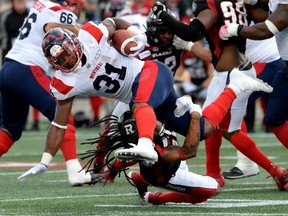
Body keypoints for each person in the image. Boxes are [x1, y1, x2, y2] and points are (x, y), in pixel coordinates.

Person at [15, 18, 286, 192]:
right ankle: (237, 85)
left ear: (73, 43)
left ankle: (145, 143)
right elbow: (59, 123)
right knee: (203, 130)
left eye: (65, 54)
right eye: (59, 61)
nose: (66, 62)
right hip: (145, 99)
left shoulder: (89, 35)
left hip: (150, 73)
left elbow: (112, 22)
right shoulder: (63, 82)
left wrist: (130, 34)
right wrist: (45, 160)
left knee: (139, 104)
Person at [150, 1, 287, 189]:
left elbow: (192, 32)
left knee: (208, 127)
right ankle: (227, 172)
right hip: (243, 68)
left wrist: (164, 15)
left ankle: (258, 170)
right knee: (229, 129)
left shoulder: (210, 4)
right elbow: (263, 15)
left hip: (230, 72)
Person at [92, 11, 212, 183]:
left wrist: (188, 45)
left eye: (171, 31)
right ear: (153, 30)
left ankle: (123, 173)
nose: (167, 35)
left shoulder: (177, 44)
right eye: (163, 31)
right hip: (135, 95)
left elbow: (208, 56)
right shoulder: (139, 43)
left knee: (160, 141)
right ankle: (98, 166)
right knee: (112, 131)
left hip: (164, 96)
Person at [0, 0, 101, 186]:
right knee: (62, 116)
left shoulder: (41, 4)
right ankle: (75, 172)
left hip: (8, 68)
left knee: (10, 130)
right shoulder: (61, 11)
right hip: (26, 68)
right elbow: (52, 28)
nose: (77, 6)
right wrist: (81, 31)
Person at [81, 110, 221, 205]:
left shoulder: (154, 128)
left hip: (174, 163)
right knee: (211, 189)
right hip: (167, 173)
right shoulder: (152, 148)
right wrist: (195, 114)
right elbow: (189, 151)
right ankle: (156, 198)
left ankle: (139, 178)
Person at [219, 0, 288, 174]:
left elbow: (267, 28)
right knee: (274, 118)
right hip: (281, 65)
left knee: (231, 106)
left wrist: (236, 30)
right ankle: (245, 162)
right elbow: (264, 7)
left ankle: (244, 163)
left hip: (268, 62)